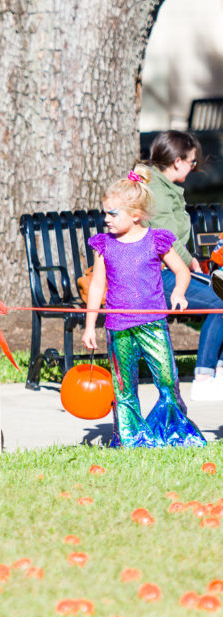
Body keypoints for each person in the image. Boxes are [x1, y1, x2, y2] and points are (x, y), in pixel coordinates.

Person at [81, 173, 205, 448]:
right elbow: (97, 285)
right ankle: (131, 438)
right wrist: (90, 326)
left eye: (113, 214)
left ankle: (172, 432)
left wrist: (178, 292)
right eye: (105, 214)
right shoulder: (104, 245)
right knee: (123, 386)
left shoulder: (155, 240)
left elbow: (182, 271)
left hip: (152, 324)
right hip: (118, 326)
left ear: (136, 215)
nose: (106, 219)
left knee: (167, 379)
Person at [137, 130, 223, 401]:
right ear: (176, 161)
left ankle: (217, 370)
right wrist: (189, 262)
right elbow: (166, 240)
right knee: (221, 303)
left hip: (173, 271)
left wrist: (190, 261)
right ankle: (205, 375)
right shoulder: (159, 193)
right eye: (191, 161)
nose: (193, 166)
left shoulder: (165, 187)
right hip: (158, 278)